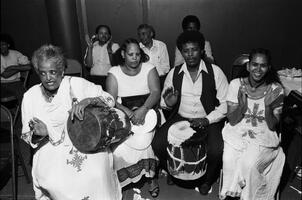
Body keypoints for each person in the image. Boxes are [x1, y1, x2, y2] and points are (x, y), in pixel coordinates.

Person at [21, 44, 122, 200]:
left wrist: (88, 101)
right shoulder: (30, 96)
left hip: (85, 142)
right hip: (49, 148)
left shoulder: (76, 84)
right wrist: (39, 134)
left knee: (96, 174)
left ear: (62, 71)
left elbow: (109, 99)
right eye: (43, 73)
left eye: (53, 72)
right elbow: (27, 136)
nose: (48, 78)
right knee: (54, 181)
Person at [152, 30, 229, 195]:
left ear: (202, 50)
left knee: (217, 150)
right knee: (157, 144)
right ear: (181, 52)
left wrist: (207, 120)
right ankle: (173, 171)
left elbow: (225, 105)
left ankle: (207, 180)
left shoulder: (215, 71)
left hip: (207, 118)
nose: (190, 54)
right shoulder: (174, 73)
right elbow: (165, 104)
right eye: (186, 51)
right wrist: (169, 102)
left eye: (194, 50)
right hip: (180, 117)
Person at [220, 48, 285, 200]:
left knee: (249, 164)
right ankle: (230, 194)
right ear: (248, 66)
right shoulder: (236, 84)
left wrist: (268, 106)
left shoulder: (276, 89)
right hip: (238, 129)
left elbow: (272, 126)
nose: (258, 69)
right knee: (228, 160)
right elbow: (233, 120)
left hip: (263, 134)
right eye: (254, 64)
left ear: (268, 68)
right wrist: (242, 107)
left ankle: (247, 196)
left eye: (263, 65)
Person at [106, 38, 161, 197]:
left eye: (138, 54)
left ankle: (152, 179)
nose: (135, 57)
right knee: (118, 148)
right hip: (123, 115)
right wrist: (128, 113)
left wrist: (143, 110)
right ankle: (121, 182)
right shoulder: (114, 72)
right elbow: (111, 100)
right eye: (131, 54)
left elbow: (155, 92)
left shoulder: (149, 68)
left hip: (148, 113)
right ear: (123, 54)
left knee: (145, 144)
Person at [137, 24, 170, 89]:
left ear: (151, 34)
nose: (141, 37)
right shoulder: (138, 48)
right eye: (139, 35)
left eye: (143, 34)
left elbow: (166, 67)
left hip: (160, 80)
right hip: (143, 82)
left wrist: (153, 77)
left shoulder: (161, 46)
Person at [1, 33, 31, 102]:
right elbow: (5, 75)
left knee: (25, 98)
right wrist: (19, 68)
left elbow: (28, 67)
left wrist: (12, 67)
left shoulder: (16, 54)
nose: (1, 47)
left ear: (8, 45)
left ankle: (25, 112)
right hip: (2, 84)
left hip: (15, 82)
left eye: (3, 44)